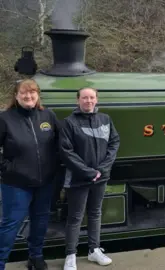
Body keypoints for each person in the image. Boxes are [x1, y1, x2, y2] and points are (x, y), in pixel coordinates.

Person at [0, 79, 61, 270]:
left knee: (40, 221)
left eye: (32, 92)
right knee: (11, 225)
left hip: (45, 182)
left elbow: (61, 144)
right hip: (16, 184)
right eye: (24, 93)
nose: (28, 96)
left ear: (38, 95)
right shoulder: (5, 118)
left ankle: (36, 257)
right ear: (16, 96)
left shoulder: (48, 115)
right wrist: (7, 167)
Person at [60, 87, 120, 270]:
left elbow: (114, 142)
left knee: (95, 213)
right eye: (85, 98)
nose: (88, 101)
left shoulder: (105, 119)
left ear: (97, 100)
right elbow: (66, 151)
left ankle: (94, 250)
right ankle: (70, 256)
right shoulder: (69, 123)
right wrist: (88, 172)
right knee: (75, 217)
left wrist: (102, 169)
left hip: (101, 176)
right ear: (78, 100)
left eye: (91, 97)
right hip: (78, 178)